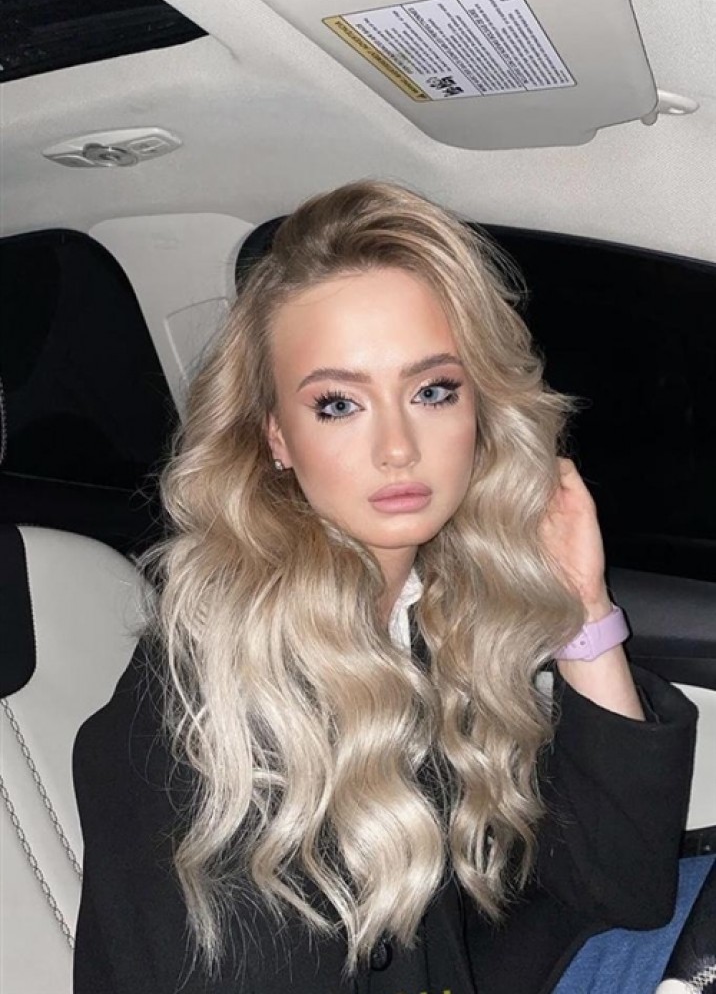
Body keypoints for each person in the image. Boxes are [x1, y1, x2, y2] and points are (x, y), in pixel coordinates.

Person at [72, 180, 705, 994]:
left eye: (432, 390)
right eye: (338, 404)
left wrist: (583, 609)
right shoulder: (212, 710)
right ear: (277, 437)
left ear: (481, 408)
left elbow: (623, 888)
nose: (398, 446)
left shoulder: (436, 609)